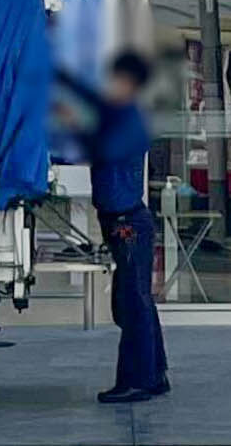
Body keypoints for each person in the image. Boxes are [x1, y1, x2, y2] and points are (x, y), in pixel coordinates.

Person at [57, 50, 168, 404]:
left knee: (132, 303)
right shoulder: (119, 111)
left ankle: (136, 381)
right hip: (123, 222)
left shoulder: (129, 120)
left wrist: (73, 124)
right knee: (137, 301)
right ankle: (154, 375)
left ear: (129, 83)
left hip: (128, 224)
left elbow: (98, 148)